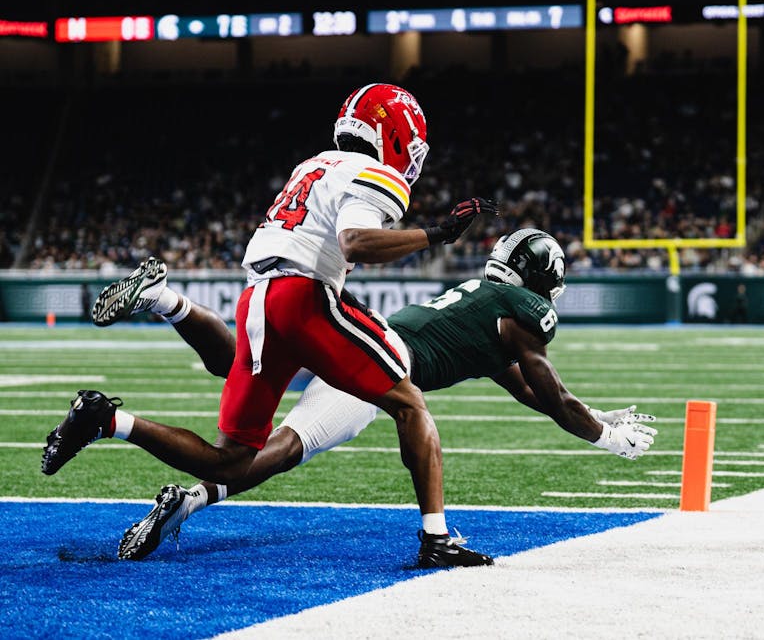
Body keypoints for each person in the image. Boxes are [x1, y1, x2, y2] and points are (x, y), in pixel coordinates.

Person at [41, 82, 498, 567]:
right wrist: (438, 234)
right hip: (303, 299)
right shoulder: (378, 173)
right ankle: (437, 539)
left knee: (229, 459)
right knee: (408, 402)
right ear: (396, 135)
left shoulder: (313, 165)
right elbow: (356, 243)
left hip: (258, 294)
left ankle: (110, 417)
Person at [93, 229, 657, 562]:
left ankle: (169, 303)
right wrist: (607, 438)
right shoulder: (523, 313)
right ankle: (436, 537)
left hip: (359, 344)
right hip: (376, 365)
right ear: (541, 279)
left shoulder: (489, 308)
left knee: (237, 370)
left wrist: (595, 415)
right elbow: (552, 395)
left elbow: (530, 391)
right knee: (287, 447)